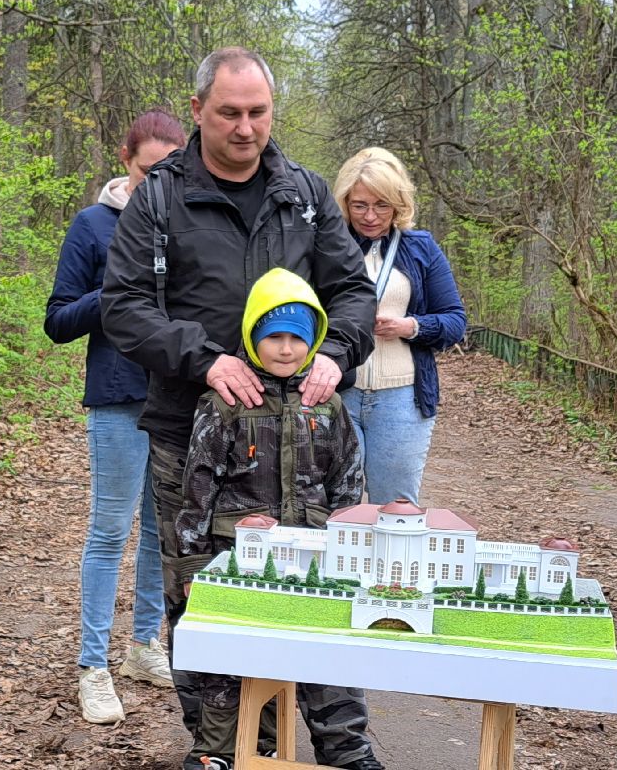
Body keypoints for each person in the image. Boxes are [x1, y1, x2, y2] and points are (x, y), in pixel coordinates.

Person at [100, 47, 376, 770]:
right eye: (229, 113)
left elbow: (353, 292)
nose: (246, 128)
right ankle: (228, 750)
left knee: (321, 593)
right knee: (205, 601)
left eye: (258, 112)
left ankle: (340, 746)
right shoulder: (160, 197)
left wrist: (336, 351)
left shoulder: (305, 194)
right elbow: (123, 307)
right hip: (191, 436)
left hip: (304, 440)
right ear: (198, 110)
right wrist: (206, 359)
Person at [174, 267, 375, 770]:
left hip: (313, 558)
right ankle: (220, 751)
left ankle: (347, 750)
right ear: (252, 338)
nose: (286, 350)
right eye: (274, 338)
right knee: (229, 656)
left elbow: (348, 481)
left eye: (297, 339)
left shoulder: (327, 406)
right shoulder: (225, 405)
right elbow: (198, 488)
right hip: (238, 559)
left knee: (328, 652)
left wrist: (346, 548)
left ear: (314, 342)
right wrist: (194, 565)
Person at [45, 110, 188, 725]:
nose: (157, 181)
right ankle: (92, 665)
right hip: (118, 395)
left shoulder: (190, 223)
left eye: (168, 170)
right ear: (125, 161)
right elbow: (58, 321)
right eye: (146, 169)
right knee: (110, 530)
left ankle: (144, 644)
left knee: (162, 531)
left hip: (179, 396)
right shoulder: (93, 225)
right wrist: (115, 292)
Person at [333, 147, 467, 506]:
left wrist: (410, 326)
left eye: (382, 205)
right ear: (345, 202)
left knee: (394, 507)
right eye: (359, 205)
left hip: (401, 398)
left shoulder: (420, 248)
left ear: (398, 204)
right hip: (337, 392)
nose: (370, 216)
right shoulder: (329, 246)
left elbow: (455, 321)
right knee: (334, 505)